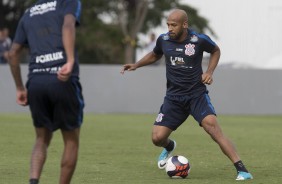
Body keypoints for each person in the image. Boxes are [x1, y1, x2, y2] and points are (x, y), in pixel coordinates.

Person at [121, 9, 253, 180]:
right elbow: (155, 54)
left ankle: (242, 170)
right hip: (174, 98)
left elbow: (216, 51)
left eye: (174, 25)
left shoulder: (198, 40)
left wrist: (209, 72)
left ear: (184, 24)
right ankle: (169, 146)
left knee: (212, 128)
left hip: (196, 95)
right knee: (157, 138)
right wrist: (136, 65)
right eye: (168, 24)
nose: (170, 28)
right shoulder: (164, 39)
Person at [8, 0, 84, 184]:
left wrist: (19, 87)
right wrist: (70, 60)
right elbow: (68, 24)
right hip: (62, 78)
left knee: (41, 138)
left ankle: (33, 181)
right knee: (71, 140)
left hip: (36, 81)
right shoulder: (68, 2)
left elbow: (12, 53)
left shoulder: (29, 12)